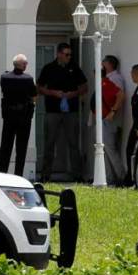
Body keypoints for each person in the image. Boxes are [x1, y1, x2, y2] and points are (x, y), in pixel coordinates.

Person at [37, 43, 88, 181]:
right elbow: (39, 88)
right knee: (49, 143)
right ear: (59, 54)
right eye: (66, 54)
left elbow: (84, 87)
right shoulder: (49, 68)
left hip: (71, 110)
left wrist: (74, 94)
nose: (69, 57)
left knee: (73, 143)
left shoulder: (74, 67)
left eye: (70, 54)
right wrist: (53, 92)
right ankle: (45, 175)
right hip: (53, 110)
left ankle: (77, 175)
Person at [0, 54, 37, 176]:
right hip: (24, 117)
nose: (26, 65)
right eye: (25, 63)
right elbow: (34, 97)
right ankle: (18, 174)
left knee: (5, 146)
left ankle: (1, 173)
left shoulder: (4, 77)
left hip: (9, 116)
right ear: (22, 65)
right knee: (21, 148)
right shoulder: (28, 79)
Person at [99, 55, 126, 185]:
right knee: (104, 149)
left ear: (108, 64)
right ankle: (109, 179)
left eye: (103, 62)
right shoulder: (107, 79)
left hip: (110, 119)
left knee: (110, 148)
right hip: (104, 118)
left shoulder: (114, 79)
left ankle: (121, 177)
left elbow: (120, 96)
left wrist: (112, 112)